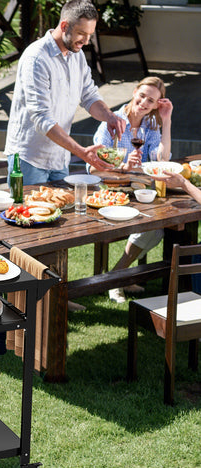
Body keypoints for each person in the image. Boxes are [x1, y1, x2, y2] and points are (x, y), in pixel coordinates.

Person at [4, 0, 125, 184]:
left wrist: (109, 116)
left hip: (59, 157)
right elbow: (41, 117)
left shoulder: (77, 55)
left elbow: (89, 95)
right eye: (81, 33)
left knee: (65, 204)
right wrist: (82, 152)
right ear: (64, 26)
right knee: (28, 204)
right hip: (29, 158)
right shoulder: (36, 58)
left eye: (90, 35)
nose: (86, 41)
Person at [90, 76, 173, 303]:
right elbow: (93, 165)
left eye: (151, 100)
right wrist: (123, 166)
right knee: (152, 227)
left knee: (158, 227)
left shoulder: (151, 125)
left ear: (156, 105)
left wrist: (166, 121)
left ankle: (117, 275)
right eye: (142, 96)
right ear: (134, 92)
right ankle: (118, 279)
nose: (144, 102)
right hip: (111, 192)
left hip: (139, 192)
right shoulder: (112, 121)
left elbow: (161, 159)